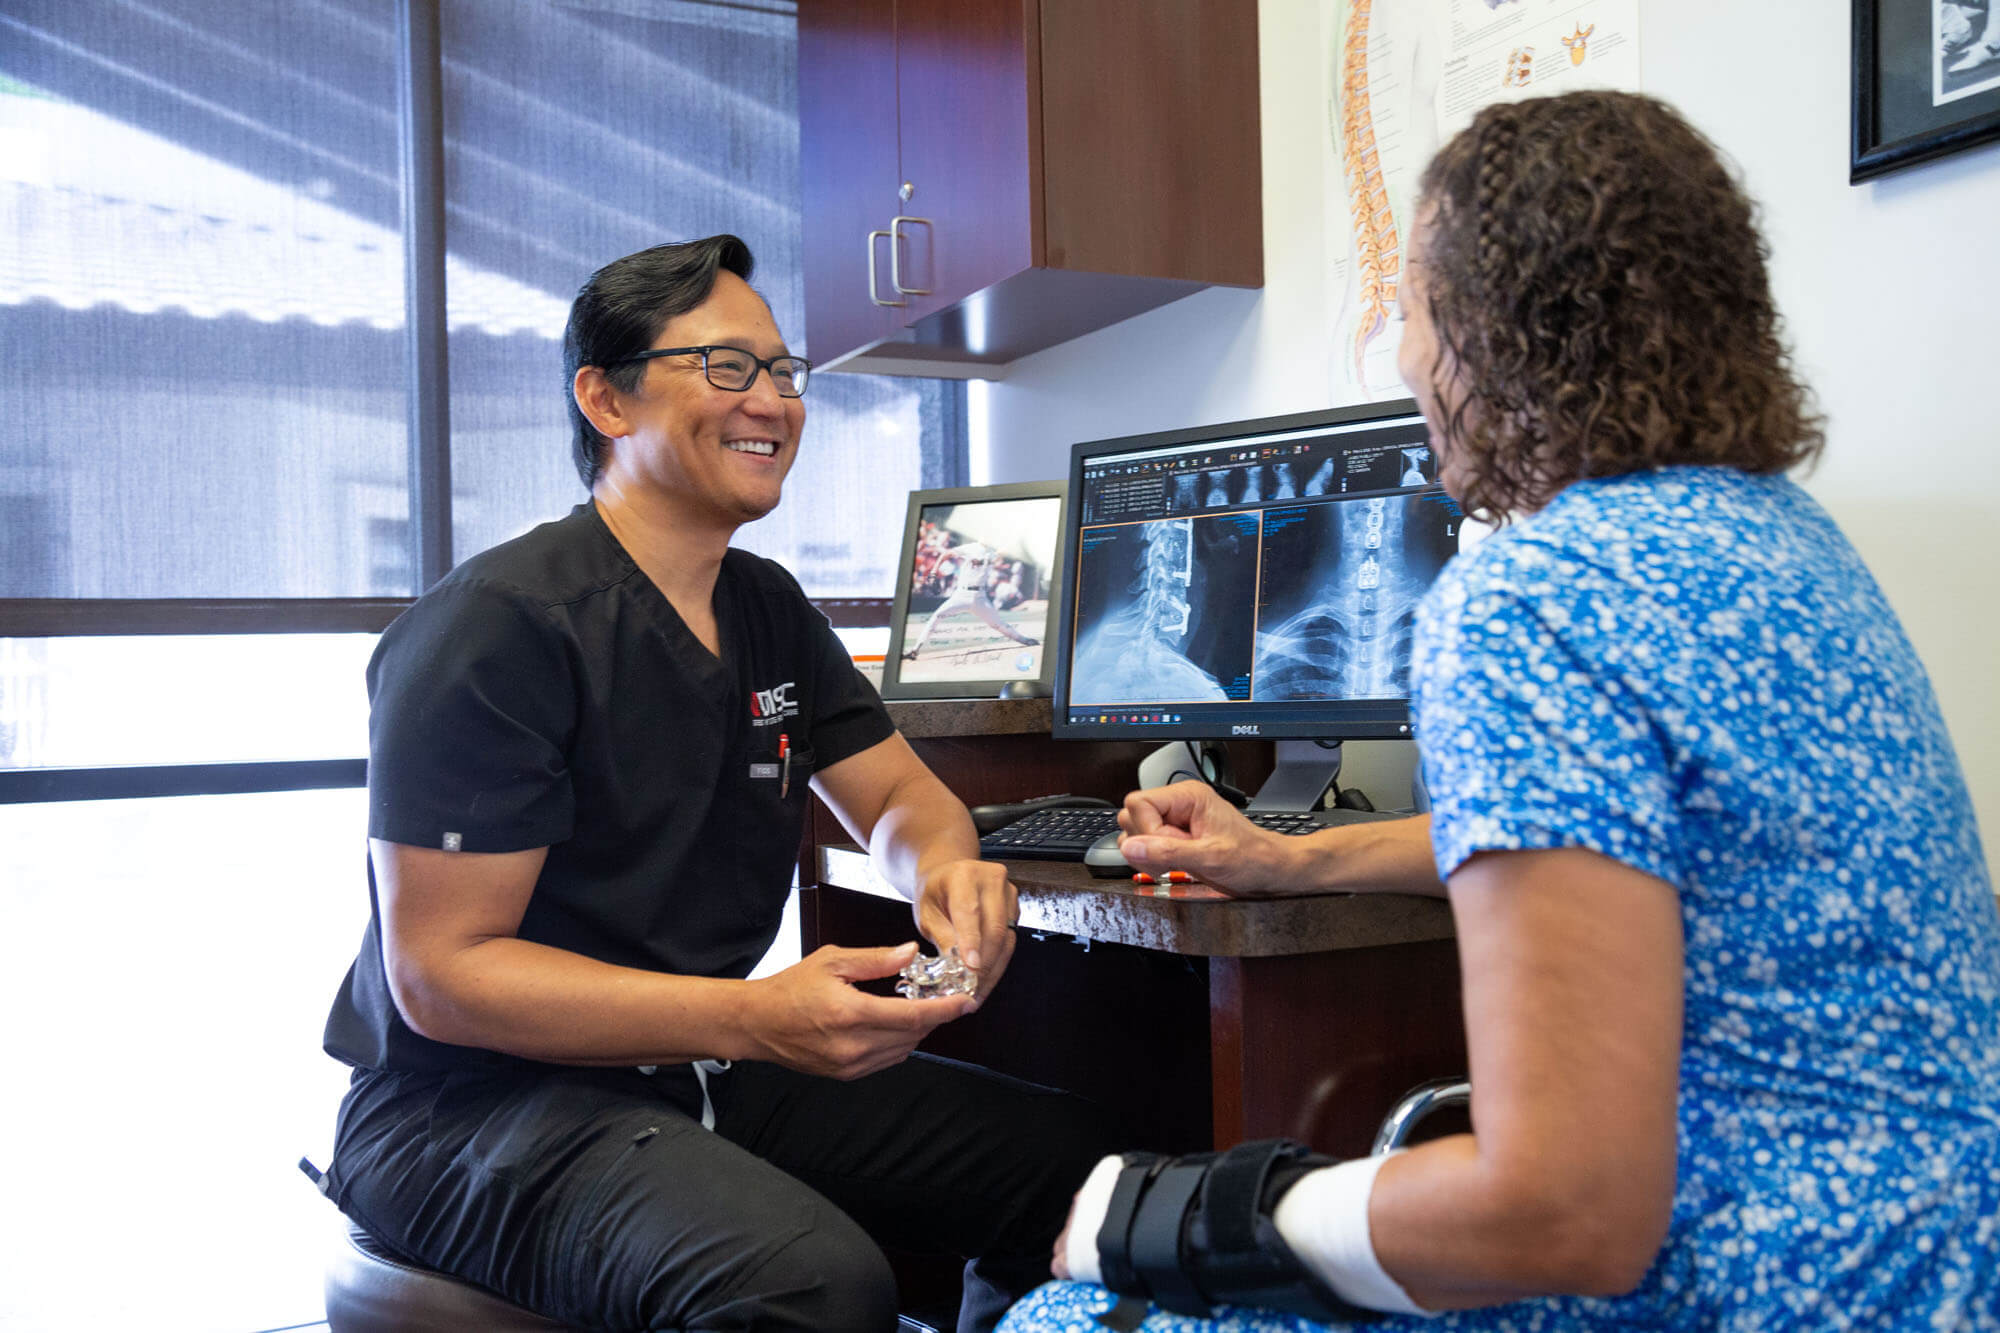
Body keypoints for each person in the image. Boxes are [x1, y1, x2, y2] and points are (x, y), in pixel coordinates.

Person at [1001, 91, 2000, 1333]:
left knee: (1061, 1311)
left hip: (1759, 1286)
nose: (1404, 359)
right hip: (1948, 1261)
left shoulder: (1531, 597)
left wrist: (1210, 1216)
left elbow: (1564, 1209)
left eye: (1414, 311)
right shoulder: (1787, 545)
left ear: (1490, 333)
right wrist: (1284, 858)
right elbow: (1613, 849)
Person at [319, 234, 1108, 1333]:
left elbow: (892, 798)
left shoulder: (765, 607)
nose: (773, 401)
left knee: (1083, 1175)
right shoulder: (496, 630)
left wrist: (946, 873)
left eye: (783, 372)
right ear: (605, 398)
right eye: (726, 367)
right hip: (465, 1108)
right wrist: (753, 1017)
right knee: (814, 1284)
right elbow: (443, 976)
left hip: (689, 1066)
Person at [901, 540, 1041, 661]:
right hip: (961, 595)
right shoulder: (970, 548)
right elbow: (946, 554)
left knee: (998, 624)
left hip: (980, 598)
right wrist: (933, 571)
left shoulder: (992, 553)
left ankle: (1024, 640)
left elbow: (1001, 552)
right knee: (936, 616)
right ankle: (915, 650)